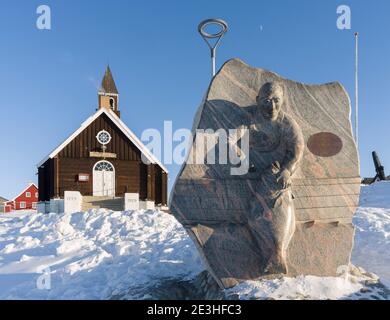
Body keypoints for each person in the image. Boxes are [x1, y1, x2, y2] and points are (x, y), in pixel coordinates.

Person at [247, 81, 304, 274]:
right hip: (258, 176)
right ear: (257, 101)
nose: (271, 106)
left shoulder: (287, 123)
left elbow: (297, 151)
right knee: (255, 214)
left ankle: (280, 252)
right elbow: (231, 140)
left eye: (276, 101)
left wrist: (288, 170)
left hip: (279, 176)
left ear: (283, 101)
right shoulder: (250, 119)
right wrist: (243, 161)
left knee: (283, 203)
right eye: (266, 100)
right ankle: (271, 253)